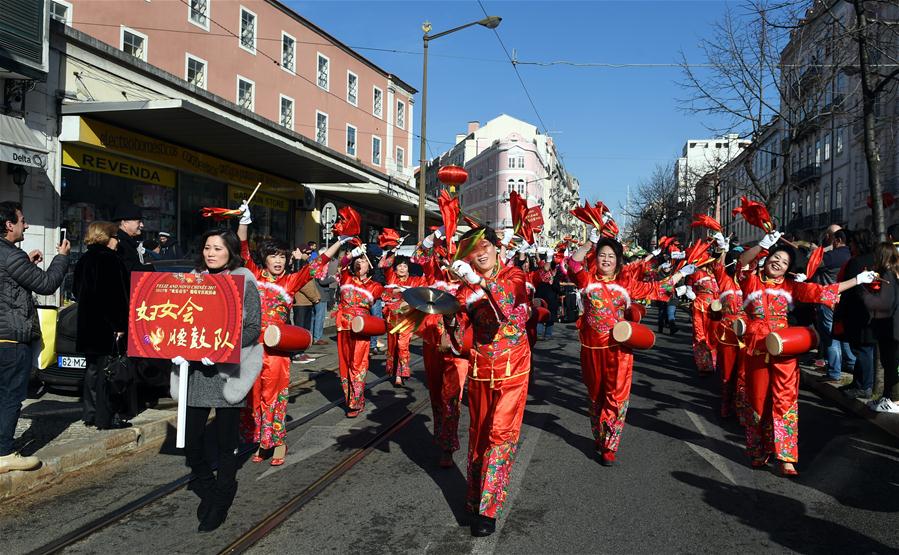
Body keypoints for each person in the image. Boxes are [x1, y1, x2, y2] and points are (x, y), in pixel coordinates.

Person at [737, 231, 876, 476]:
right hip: (756, 347)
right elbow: (742, 263)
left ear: (788, 269)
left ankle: (786, 457)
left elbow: (824, 292)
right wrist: (761, 245)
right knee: (758, 401)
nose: (778, 263)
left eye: (784, 262)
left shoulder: (792, 287)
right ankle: (759, 450)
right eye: (775, 258)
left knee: (785, 401)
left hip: (784, 347)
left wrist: (857, 280)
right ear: (768, 258)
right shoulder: (750, 280)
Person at [568, 228, 689, 467]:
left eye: (611, 256)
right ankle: (600, 436)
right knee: (595, 398)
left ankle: (609, 445)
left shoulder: (626, 282)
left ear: (618, 261)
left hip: (619, 350)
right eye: (602, 254)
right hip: (591, 350)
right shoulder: (587, 280)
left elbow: (654, 290)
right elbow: (573, 265)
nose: (606, 259)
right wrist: (587, 244)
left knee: (616, 397)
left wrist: (678, 276)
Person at [445, 227, 531, 537]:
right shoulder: (464, 288)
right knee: (479, 434)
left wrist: (480, 282)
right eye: (473, 249)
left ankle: (489, 510)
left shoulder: (514, 275)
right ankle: (474, 499)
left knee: (500, 434)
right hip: (481, 367)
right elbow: (458, 335)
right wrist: (445, 313)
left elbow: (509, 308)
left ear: (496, 248)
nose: (480, 252)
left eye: (485, 246)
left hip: (513, 368)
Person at [174, 228, 262, 532]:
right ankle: (209, 488)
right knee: (191, 443)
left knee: (226, 443)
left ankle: (221, 497)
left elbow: (253, 327)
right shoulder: (192, 279)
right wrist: (175, 348)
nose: (211, 253)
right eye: (207, 247)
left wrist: (225, 349)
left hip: (227, 373)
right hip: (196, 373)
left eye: (218, 248)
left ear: (231, 252)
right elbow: (175, 319)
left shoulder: (243, 279)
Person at [236, 203, 327, 464]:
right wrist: (244, 221)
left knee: (274, 396)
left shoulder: (291, 280)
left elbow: (316, 265)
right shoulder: (252, 274)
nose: (278, 261)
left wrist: (339, 243)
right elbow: (242, 248)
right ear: (264, 258)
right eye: (273, 256)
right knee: (252, 395)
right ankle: (261, 442)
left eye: (283, 257)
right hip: (251, 347)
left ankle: (277, 443)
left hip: (277, 349)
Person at [0, 201, 70, 474]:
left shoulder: (11, 257)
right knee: (9, 397)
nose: (26, 225)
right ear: (9, 225)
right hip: (10, 339)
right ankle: (4, 453)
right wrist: (62, 257)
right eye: (22, 220)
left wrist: (26, 263)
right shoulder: (10, 255)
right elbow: (46, 284)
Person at [412, 227, 469, 468]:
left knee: (452, 397)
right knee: (436, 394)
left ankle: (448, 445)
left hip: (457, 351)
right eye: (449, 258)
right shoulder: (434, 276)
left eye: (458, 259)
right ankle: (440, 432)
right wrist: (431, 238)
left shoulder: (470, 284)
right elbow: (419, 257)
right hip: (432, 343)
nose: (453, 264)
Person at [74, 221, 132, 430]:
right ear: (106, 238)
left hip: (88, 324)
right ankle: (106, 417)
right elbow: (115, 297)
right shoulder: (110, 260)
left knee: (92, 371)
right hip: (107, 325)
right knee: (109, 371)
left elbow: (75, 290)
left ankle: (89, 414)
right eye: (115, 237)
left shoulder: (84, 259)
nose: (118, 241)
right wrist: (118, 325)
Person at [335, 241, 383, 417]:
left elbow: (381, 296)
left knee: (358, 364)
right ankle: (351, 399)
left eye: (362, 260)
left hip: (361, 329)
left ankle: (356, 402)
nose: (358, 262)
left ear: (369, 265)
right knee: (344, 365)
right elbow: (341, 263)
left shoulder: (374, 286)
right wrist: (353, 253)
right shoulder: (345, 278)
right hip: (343, 327)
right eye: (357, 260)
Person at [835, 229, 877, 399]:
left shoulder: (856, 262)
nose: (850, 246)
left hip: (857, 312)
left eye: (852, 243)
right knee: (864, 349)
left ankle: (865, 386)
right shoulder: (876, 259)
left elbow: (849, 288)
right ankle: (858, 382)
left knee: (862, 349)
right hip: (874, 311)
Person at [812, 226, 854, 382]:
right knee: (843, 334)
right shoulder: (851, 255)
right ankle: (850, 363)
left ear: (837, 240)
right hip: (844, 300)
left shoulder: (831, 256)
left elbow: (812, 265)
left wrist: (819, 250)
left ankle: (834, 371)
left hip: (828, 298)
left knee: (831, 337)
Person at [861, 242, 899, 413]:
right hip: (893, 324)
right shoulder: (895, 272)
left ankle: (890, 399)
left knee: (889, 362)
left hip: (888, 324)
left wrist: (866, 297)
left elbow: (885, 302)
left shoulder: (889, 274)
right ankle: (889, 397)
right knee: (892, 362)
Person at [382, 255, 425, 386]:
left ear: (408, 268)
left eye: (404, 266)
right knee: (393, 345)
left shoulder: (414, 280)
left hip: (408, 317)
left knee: (402, 344)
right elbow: (385, 264)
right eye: (399, 265)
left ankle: (400, 374)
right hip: (392, 317)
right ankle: (394, 370)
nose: (402, 268)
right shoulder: (392, 277)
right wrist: (393, 250)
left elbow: (423, 289)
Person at [112, 203, 154, 272]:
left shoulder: (128, 241)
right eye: (139, 222)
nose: (142, 225)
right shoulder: (118, 243)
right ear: (124, 223)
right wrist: (150, 268)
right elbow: (127, 270)